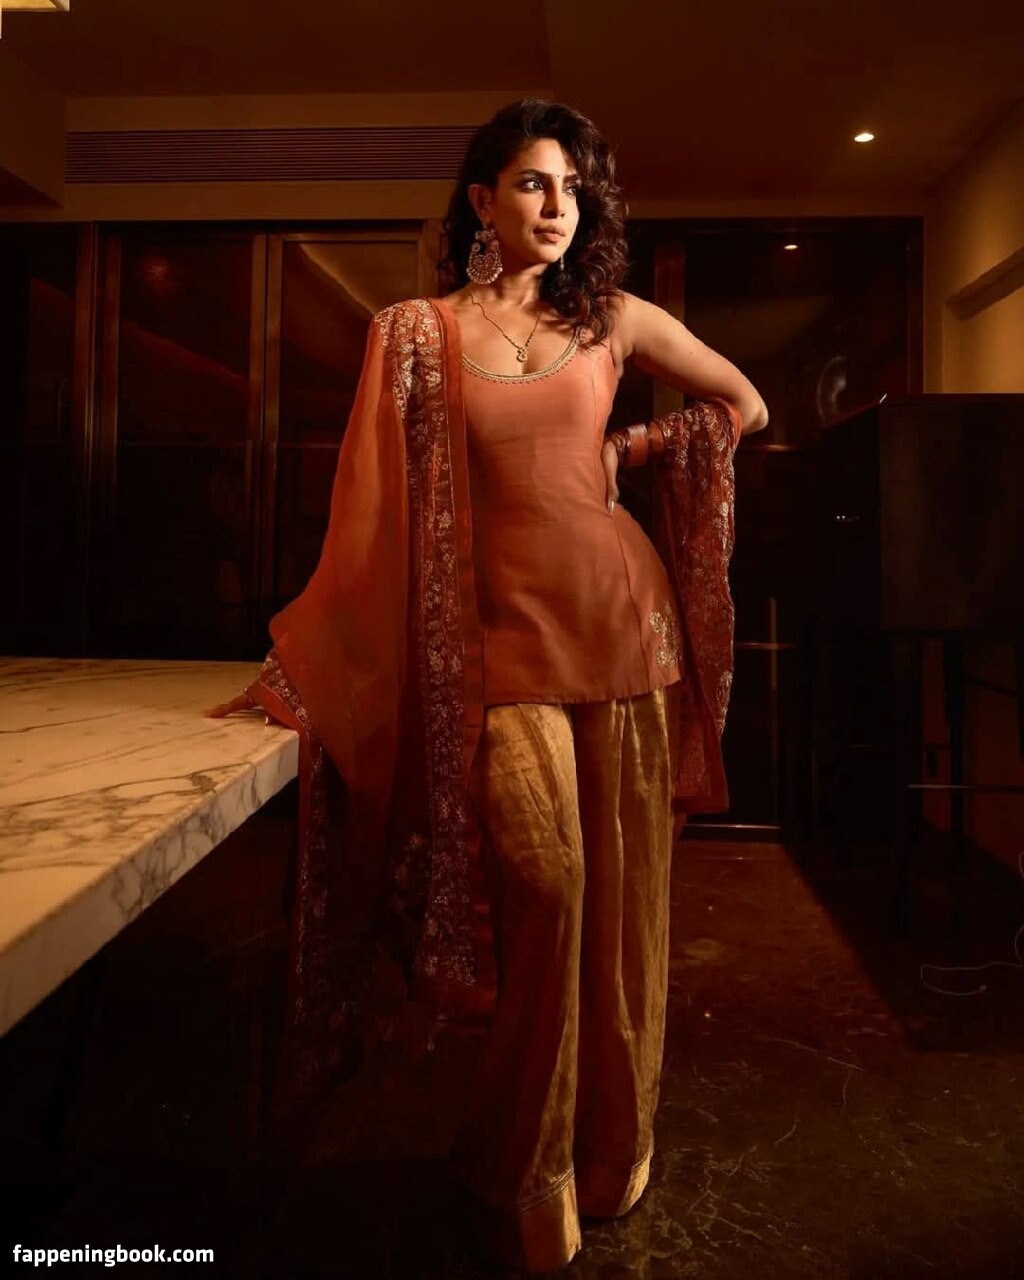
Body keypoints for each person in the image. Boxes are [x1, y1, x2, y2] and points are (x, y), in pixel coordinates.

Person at [207, 99, 767, 1273]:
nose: (556, 206)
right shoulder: (414, 333)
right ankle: (523, 1162)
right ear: (481, 200)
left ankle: (612, 1148)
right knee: (547, 883)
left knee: (625, 912)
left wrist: (629, 450)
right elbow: (371, 508)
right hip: (495, 649)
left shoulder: (613, 318)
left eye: (571, 187)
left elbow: (741, 403)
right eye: (530, 183)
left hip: (627, 635)